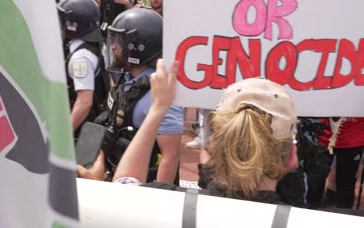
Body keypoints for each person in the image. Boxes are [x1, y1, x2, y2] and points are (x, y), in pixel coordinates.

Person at [114, 74, 300, 205]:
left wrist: (159, 107)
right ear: (291, 157)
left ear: (211, 144)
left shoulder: (169, 206)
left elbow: (122, 188)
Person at [100, 8, 184, 184]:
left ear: (138, 48)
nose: (114, 46)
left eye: (120, 41)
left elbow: (170, 157)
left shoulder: (160, 93)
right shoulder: (128, 78)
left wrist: (158, 197)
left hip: (144, 187)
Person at [57, 0, 108, 136]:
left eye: (62, 21)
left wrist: (63, 136)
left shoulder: (81, 58)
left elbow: (85, 102)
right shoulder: (88, 46)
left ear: (73, 25)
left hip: (81, 131)